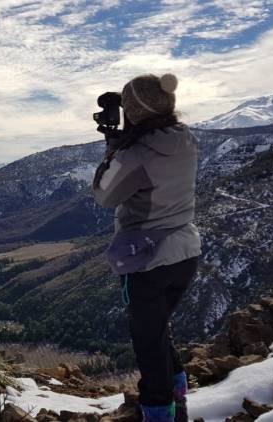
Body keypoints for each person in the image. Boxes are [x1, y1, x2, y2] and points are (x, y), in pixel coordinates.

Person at [91, 73, 202, 422]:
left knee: (148, 341)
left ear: (134, 112)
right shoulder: (185, 139)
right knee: (158, 330)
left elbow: (104, 194)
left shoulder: (136, 153)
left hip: (147, 258)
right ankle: (178, 396)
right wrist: (126, 132)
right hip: (185, 251)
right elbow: (154, 154)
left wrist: (113, 142)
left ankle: (160, 413)